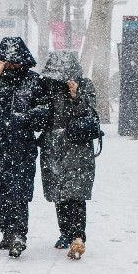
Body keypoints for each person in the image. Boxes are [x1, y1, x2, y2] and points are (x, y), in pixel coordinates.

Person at [0, 37, 50, 258]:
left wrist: (26, 118)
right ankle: (6, 231)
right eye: (7, 60)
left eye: (15, 61)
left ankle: (18, 235)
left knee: (19, 193)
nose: (11, 65)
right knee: (1, 192)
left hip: (22, 146)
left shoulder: (33, 81)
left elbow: (44, 112)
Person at [38, 51, 97, 260]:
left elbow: (92, 114)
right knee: (60, 194)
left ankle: (78, 236)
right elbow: (41, 114)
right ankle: (65, 232)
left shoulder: (85, 85)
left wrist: (76, 97)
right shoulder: (47, 88)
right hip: (53, 148)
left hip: (78, 150)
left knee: (76, 195)